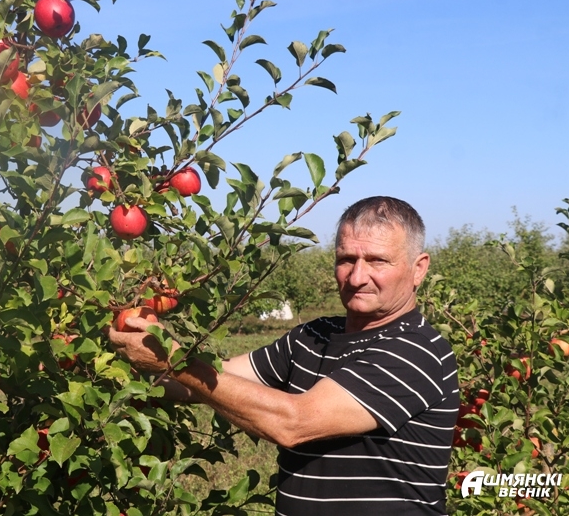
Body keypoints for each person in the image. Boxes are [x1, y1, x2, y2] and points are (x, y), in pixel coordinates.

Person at [108, 196, 460, 516]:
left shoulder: (416, 349)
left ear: (419, 268)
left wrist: (174, 361)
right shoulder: (314, 335)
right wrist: (122, 358)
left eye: (377, 261)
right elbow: (211, 379)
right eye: (346, 259)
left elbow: (295, 423)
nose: (357, 277)